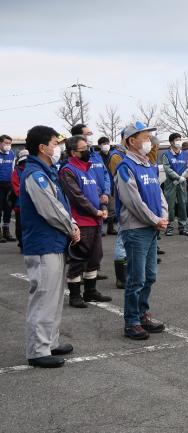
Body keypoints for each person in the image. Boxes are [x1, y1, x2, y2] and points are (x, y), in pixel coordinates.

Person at [21, 125, 80, 368]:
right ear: (42, 147)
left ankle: (49, 342)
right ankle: (37, 350)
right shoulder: (36, 175)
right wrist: (71, 226)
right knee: (44, 297)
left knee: (54, 297)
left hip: (53, 242)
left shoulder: (47, 172)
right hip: (43, 244)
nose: (57, 148)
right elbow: (50, 209)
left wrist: (71, 223)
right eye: (55, 143)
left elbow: (60, 204)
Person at [115, 122, 168, 340]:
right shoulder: (126, 167)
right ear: (131, 141)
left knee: (150, 276)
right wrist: (155, 219)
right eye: (144, 137)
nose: (149, 141)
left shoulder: (148, 165)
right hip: (137, 229)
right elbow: (133, 202)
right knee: (136, 278)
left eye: (149, 137)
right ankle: (132, 321)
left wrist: (163, 216)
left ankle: (142, 313)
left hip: (152, 227)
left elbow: (159, 194)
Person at [59, 135, 112, 308]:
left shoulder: (87, 168)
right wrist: (94, 211)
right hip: (81, 221)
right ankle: (75, 295)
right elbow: (77, 197)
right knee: (78, 258)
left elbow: (95, 191)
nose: (88, 151)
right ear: (74, 152)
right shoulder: (68, 170)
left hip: (95, 220)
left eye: (88, 147)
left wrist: (103, 206)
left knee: (95, 257)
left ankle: (90, 291)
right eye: (84, 149)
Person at [162, 132, 188, 237]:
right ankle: (169, 227)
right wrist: (177, 177)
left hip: (182, 183)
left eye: (180, 139)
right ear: (171, 142)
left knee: (183, 204)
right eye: (176, 140)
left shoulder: (186, 154)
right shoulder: (166, 154)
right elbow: (167, 168)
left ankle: (183, 227)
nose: (179, 141)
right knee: (170, 206)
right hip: (171, 183)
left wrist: (183, 177)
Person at [97, 136, 118, 235]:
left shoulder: (112, 155)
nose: (106, 145)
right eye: (103, 144)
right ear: (99, 146)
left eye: (107, 143)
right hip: (100, 184)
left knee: (111, 208)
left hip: (112, 183)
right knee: (100, 207)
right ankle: (100, 229)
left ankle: (111, 228)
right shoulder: (97, 157)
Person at [11, 149, 28, 251]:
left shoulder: (33, 170)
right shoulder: (16, 172)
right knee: (20, 225)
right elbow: (16, 188)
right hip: (20, 204)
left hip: (32, 203)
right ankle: (22, 244)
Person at [0, 134, 16, 242]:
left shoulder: (12, 154)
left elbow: (13, 169)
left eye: (10, 143)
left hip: (9, 185)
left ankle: (6, 230)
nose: (8, 145)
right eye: (6, 143)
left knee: (8, 209)